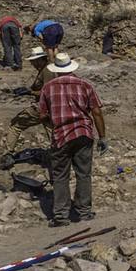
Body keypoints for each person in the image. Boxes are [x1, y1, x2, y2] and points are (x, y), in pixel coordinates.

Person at [38, 52, 107, 227]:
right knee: (84, 173)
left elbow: (42, 115)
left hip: (61, 136)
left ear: (56, 70)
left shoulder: (48, 88)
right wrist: (102, 137)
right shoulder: (85, 85)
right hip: (83, 133)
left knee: (60, 176)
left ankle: (61, 215)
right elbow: (97, 112)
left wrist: (54, 124)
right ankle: (84, 211)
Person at [3, 46, 53, 153]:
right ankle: (59, 153)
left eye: (33, 62)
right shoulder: (45, 69)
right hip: (49, 107)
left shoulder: (47, 71)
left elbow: (47, 92)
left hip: (43, 106)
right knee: (51, 129)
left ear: (40, 60)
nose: (32, 64)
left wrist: (29, 92)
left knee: (16, 125)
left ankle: (8, 153)